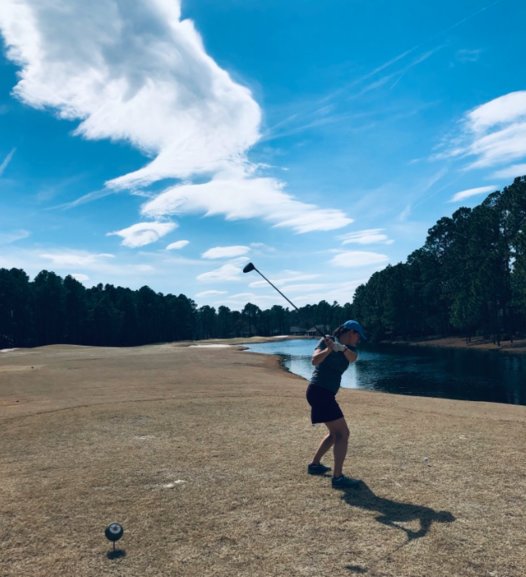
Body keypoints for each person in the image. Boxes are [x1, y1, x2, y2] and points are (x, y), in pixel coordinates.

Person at [306, 320, 366, 489]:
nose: (359, 340)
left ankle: (315, 465)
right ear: (351, 332)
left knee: (335, 434)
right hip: (319, 391)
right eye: (358, 336)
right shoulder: (326, 341)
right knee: (343, 434)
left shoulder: (350, 350)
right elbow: (315, 361)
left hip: (325, 394)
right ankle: (338, 478)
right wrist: (329, 349)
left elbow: (353, 358)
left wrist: (342, 348)